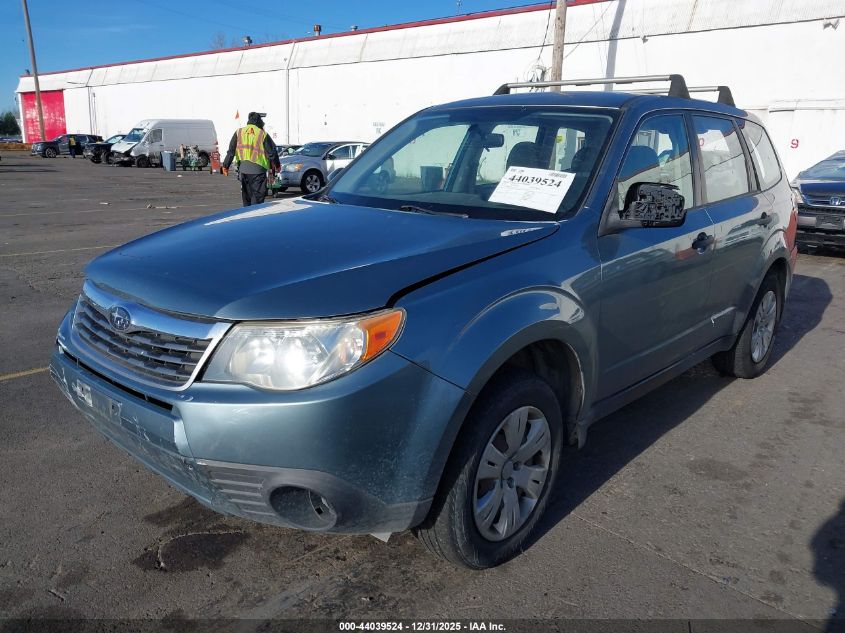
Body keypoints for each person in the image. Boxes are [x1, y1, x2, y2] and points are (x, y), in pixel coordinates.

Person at [222, 112, 280, 206]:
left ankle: (247, 217)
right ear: (259, 121)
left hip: (244, 172)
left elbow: (231, 151)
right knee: (257, 200)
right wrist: (277, 165)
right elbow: (272, 151)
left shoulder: (239, 132)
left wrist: (225, 166)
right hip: (258, 171)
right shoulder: (262, 134)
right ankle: (255, 219)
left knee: (247, 199)